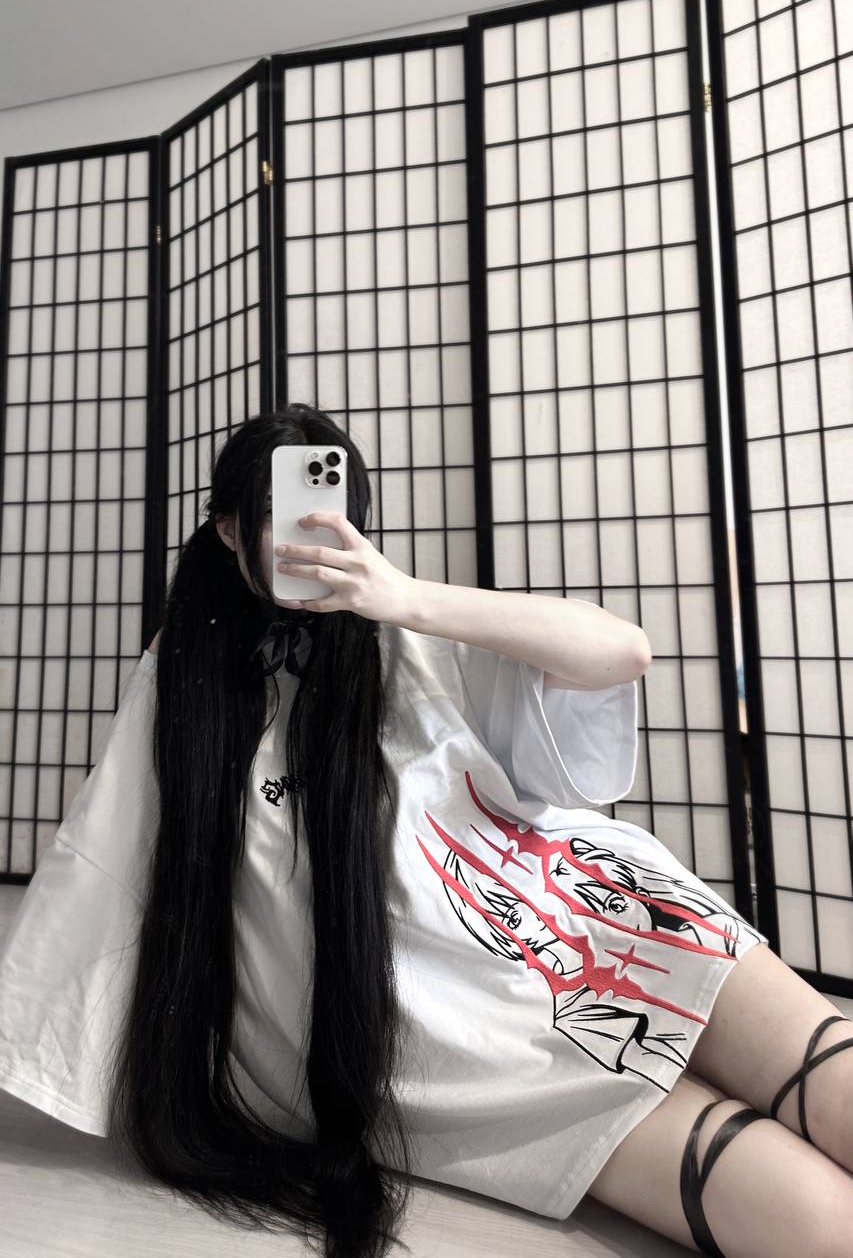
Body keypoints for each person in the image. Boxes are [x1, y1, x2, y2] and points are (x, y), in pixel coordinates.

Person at [0, 404, 850, 1258]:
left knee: (838, 1090)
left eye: (330, 505)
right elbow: (102, 862)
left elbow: (620, 652)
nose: (310, 532)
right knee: (817, 1220)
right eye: (276, 512)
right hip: (481, 1039)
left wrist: (402, 598)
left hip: (597, 915)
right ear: (227, 530)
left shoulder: (411, 635)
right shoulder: (188, 685)